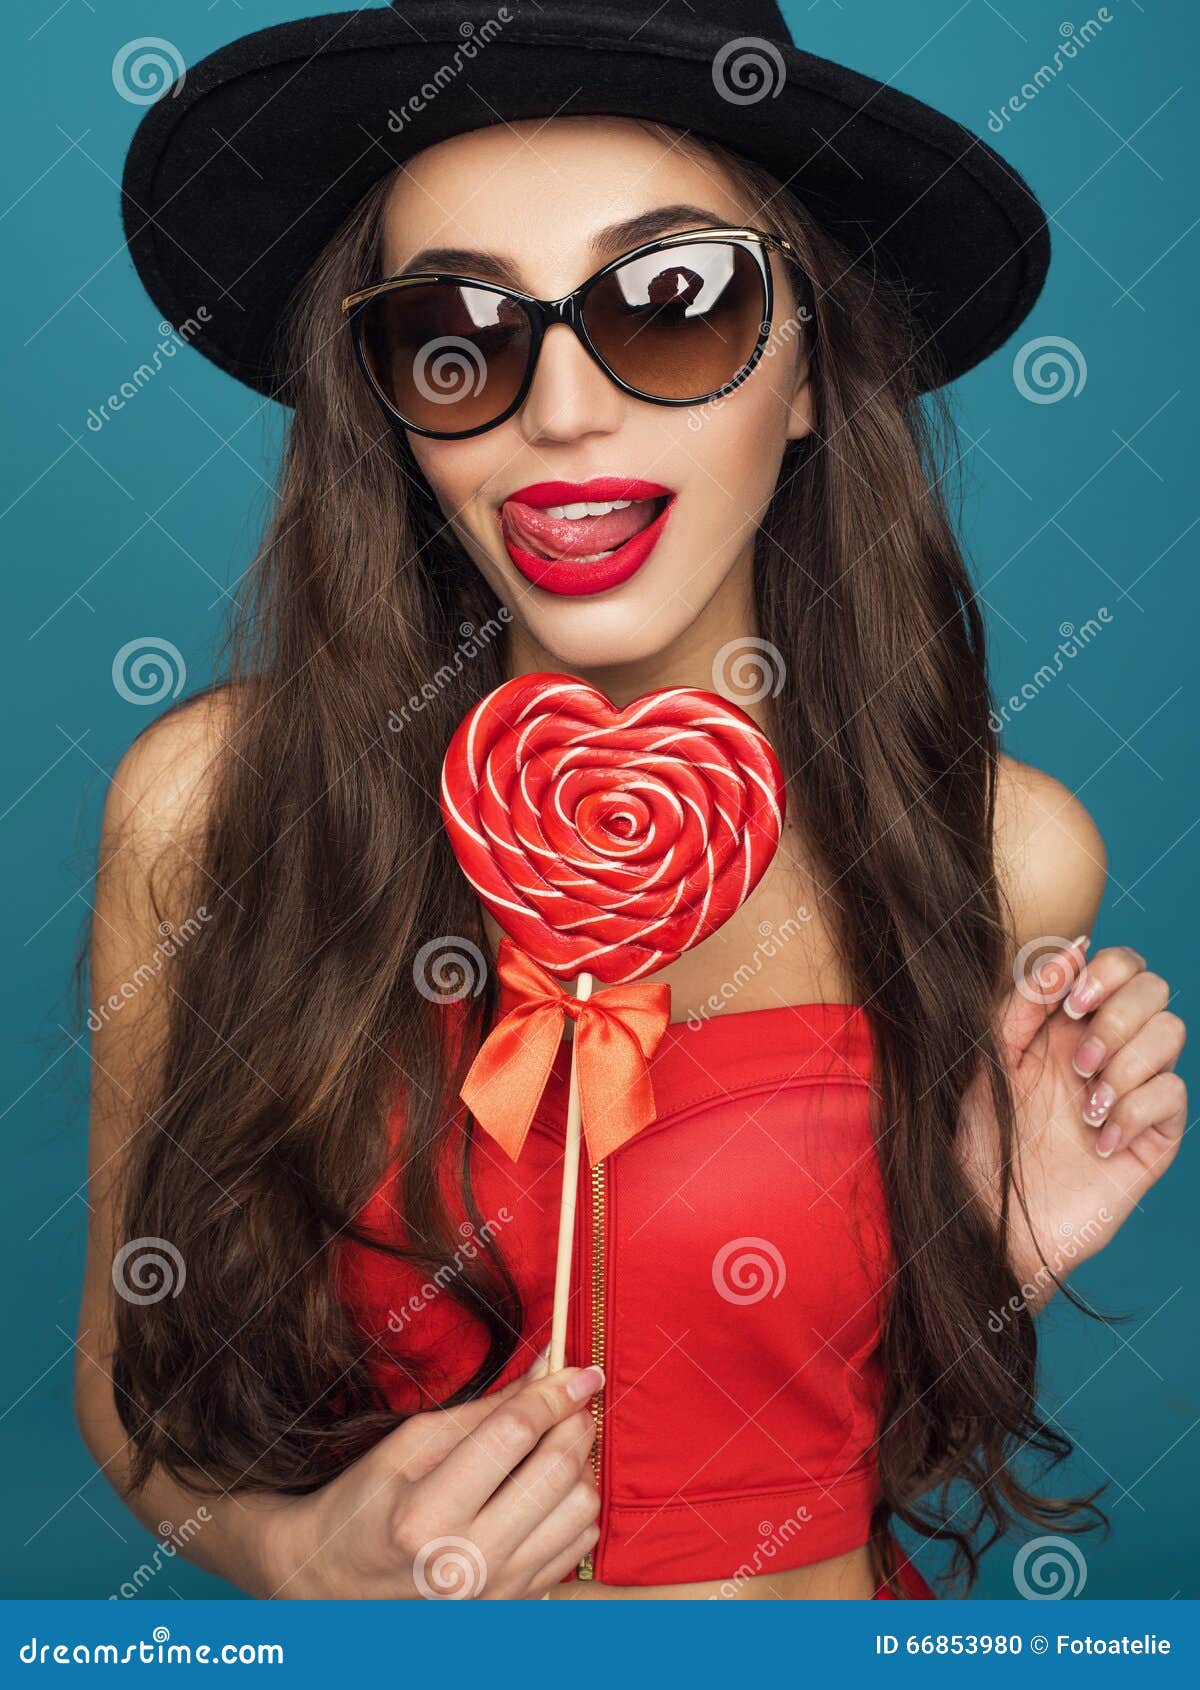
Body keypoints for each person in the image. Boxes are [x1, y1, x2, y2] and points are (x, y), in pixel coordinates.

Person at [75, 1, 1187, 1601]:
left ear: (809, 374)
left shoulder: (1004, 850)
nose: (563, 410)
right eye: (457, 327)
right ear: (390, 407)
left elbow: (826, 1457)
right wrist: (305, 1550)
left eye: (673, 303)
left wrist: (972, 1269)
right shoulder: (209, 810)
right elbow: (129, 1386)